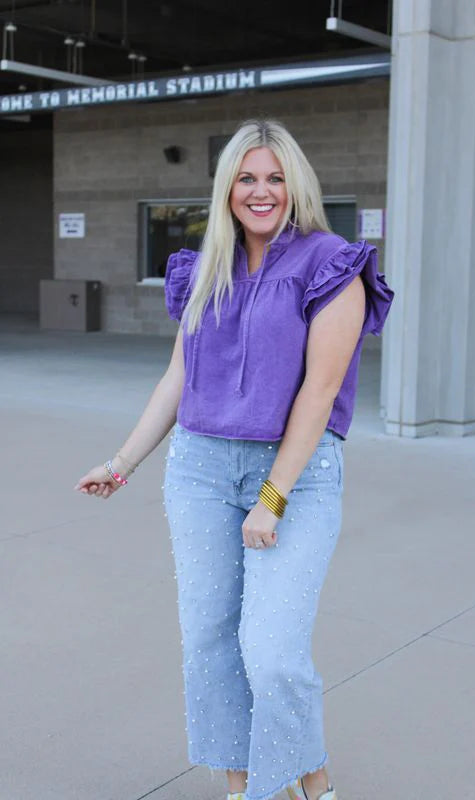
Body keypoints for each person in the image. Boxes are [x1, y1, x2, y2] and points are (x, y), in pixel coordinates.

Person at [74, 118, 394, 800]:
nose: (261, 191)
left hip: (294, 475)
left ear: (295, 184)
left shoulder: (331, 263)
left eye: (275, 177)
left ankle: (310, 777)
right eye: (247, 177)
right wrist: (122, 461)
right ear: (226, 189)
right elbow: (177, 380)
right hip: (198, 468)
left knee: (273, 653)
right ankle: (244, 786)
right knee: (211, 643)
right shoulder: (205, 268)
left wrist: (272, 496)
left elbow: (321, 389)